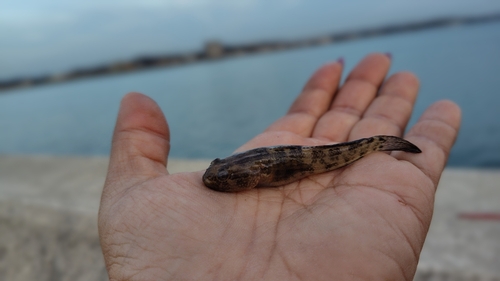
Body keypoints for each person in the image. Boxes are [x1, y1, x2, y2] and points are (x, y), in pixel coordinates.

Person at [98, 53, 461, 280]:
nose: (217, 179)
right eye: (221, 173)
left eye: (225, 175)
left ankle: (382, 143)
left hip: (303, 157)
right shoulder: (243, 176)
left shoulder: (266, 174)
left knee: (350, 149)